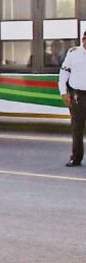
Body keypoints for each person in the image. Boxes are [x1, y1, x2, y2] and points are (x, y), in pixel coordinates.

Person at [58, 30, 86, 167]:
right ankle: (76, 158)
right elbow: (64, 73)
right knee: (77, 128)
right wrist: (63, 92)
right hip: (78, 96)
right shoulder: (73, 53)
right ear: (83, 39)